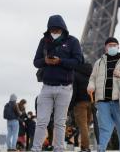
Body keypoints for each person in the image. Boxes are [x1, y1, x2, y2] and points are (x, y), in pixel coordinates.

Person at [32, 14, 83, 152]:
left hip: (64, 88)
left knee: (60, 122)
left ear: (63, 28)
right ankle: (35, 149)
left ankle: (59, 149)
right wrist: (46, 61)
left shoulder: (73, 41)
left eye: (57, 29)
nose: (54, 32)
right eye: (52, 29)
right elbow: (36, 62)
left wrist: (60, 61)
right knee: (41, 121)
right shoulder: (44, 41)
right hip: (47, 87)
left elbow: (79, 61)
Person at [87, 37, 120, 152]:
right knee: (104, 128)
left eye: (114, 45)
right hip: (102, 101)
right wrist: (91, 85)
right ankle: (101, 149)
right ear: (105, 47)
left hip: (119, 101)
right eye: (110, 45)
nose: (112, 47)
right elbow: (92, 78)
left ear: (118, 46)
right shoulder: (99, 62)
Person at [71, 60, 93, 152]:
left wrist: (71, 104)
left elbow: (74, 91)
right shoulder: (92, 76)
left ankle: (85, 147)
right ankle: (85, 146)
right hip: (91, 102)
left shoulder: (76, 75)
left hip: (80, 103)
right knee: (86, 125)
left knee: (82, 125)